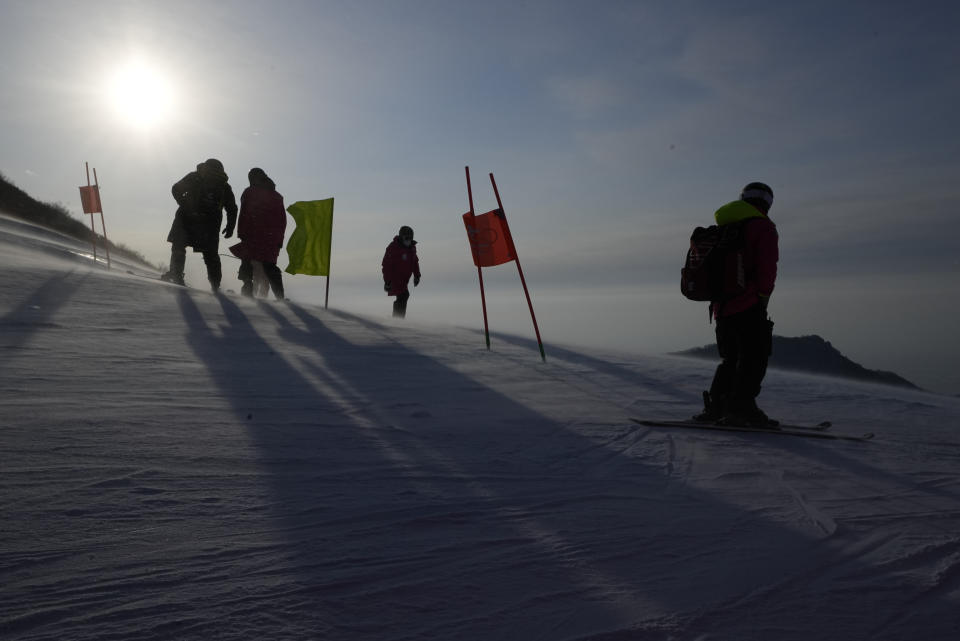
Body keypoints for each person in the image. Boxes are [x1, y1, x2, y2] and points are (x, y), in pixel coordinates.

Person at [695, 182, 779, 427]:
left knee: (730, 358)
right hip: (748, 303)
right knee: (754, 356)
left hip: (721, 306)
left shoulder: (724, 226)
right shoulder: (763, 227)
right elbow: (766, 271)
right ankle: (741, 409)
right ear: (767, 203)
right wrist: (762, 298)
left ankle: (717, 407)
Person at [161, 158, 238, 291]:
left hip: (186, 218)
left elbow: (175, 188)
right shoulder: (224, 185)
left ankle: (177, 276)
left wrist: (185, 204)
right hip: (210, 225)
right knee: (211, 255)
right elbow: (232, 208)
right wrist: (230, 227)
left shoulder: (195, 177)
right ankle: (215, 286)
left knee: (179, 247)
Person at [228, 168, 287, 300]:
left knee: (247, 262)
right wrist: (279, 240)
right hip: (272, 238)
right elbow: (282, 220)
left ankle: (248, 291)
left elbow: (244, 213)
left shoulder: (249, 192)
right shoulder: (277, 196)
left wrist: (241, 233)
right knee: (270, 266)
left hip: (252, 234)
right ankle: (280, 297)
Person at [381, 225, 421, 318]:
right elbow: (386, 265)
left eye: (410, 238)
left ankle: (397, 318)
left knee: (403, 296)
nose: (408, 240)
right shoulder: (393, 248)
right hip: (394, 278)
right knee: (403, 295)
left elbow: (415, 262)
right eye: (406, 237)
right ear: (401, 237)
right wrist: (387, 281)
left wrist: (417, 276)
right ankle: (397, 319)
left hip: (404, 280)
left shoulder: (411, 248)